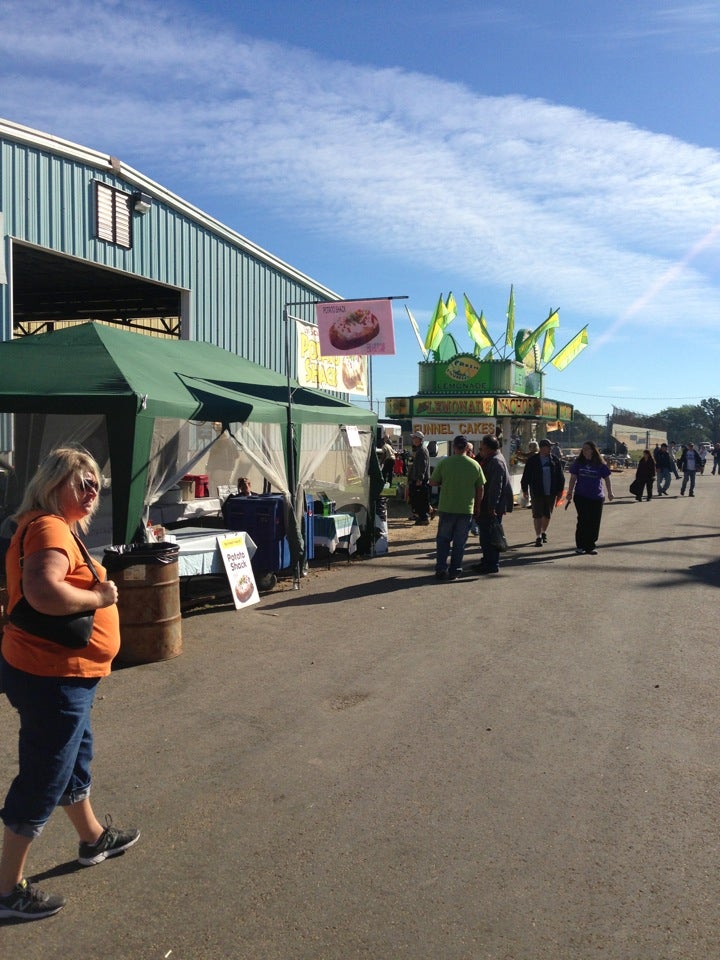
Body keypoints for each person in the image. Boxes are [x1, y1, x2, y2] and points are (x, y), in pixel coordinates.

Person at [0, 447, 140, 921]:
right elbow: (42, 591)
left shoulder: (50, 526)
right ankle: (7, 889)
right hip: (52, 677)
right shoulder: (49, 527)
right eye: (80, 480)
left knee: (72, 758)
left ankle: (92, 838)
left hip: (56, 674)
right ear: (52, 483)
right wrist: (100, 594)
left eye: (95, 481)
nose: (91, 488)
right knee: (45, 774)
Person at [429, 435, 485, 580]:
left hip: (447, 507)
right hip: (466, 509)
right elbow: (480, 488)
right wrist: (477, 507)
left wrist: (445, 482)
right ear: (467, 447)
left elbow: (433, 482)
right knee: (460, 543)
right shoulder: (474, 465)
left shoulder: (445, 463)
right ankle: (455, 570)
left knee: (443, 540)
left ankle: (441, 568)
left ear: (454, 447)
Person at [565, 440, 614, 555]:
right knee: (583, 520)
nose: (585, 450)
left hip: (596, 497)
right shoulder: (578, 463)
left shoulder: (600, 464)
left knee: (594, 522)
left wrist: (610, 492)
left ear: (593, 450)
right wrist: (570, 492)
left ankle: (590, 546)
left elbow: (607, 478)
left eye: (587, 448)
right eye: (583, 448)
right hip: (581, 496)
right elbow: (573, 478)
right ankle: (580, 545)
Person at [474, 435, 511, 575]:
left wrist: (492, 507)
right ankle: (487, 561)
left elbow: (496, 487)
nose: (480, 450)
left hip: (491, 507)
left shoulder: (496, 462)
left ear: (488, 448)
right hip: (490, 505)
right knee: (486, 536)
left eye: (482, 447)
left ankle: (491, 564)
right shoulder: (493, 459)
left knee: (491, 537)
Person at [520, 439, 565, 546]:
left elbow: (560, 477)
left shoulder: (554, 460)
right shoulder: (533, 460)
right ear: (542, 448)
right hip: (537, 491)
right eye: (548, 447)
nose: (550, 449)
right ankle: (538, 536)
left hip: (551, 492)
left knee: (547, 514)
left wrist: (560, 491)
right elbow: (526, 476)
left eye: (550, 447)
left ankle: (543, 531)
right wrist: (525, 489)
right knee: (537, 514)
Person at [407, 431, 430, 525]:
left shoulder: (422, 450)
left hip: (420, 479)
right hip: (416, 478)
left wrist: (420, 478)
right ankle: (421, 516)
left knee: (421, 499)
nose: (413, 439)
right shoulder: (419, 449)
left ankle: (424, 518)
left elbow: (423, 466)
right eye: (413, 438)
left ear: (419, 439)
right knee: (416, 498)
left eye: (415, 438)